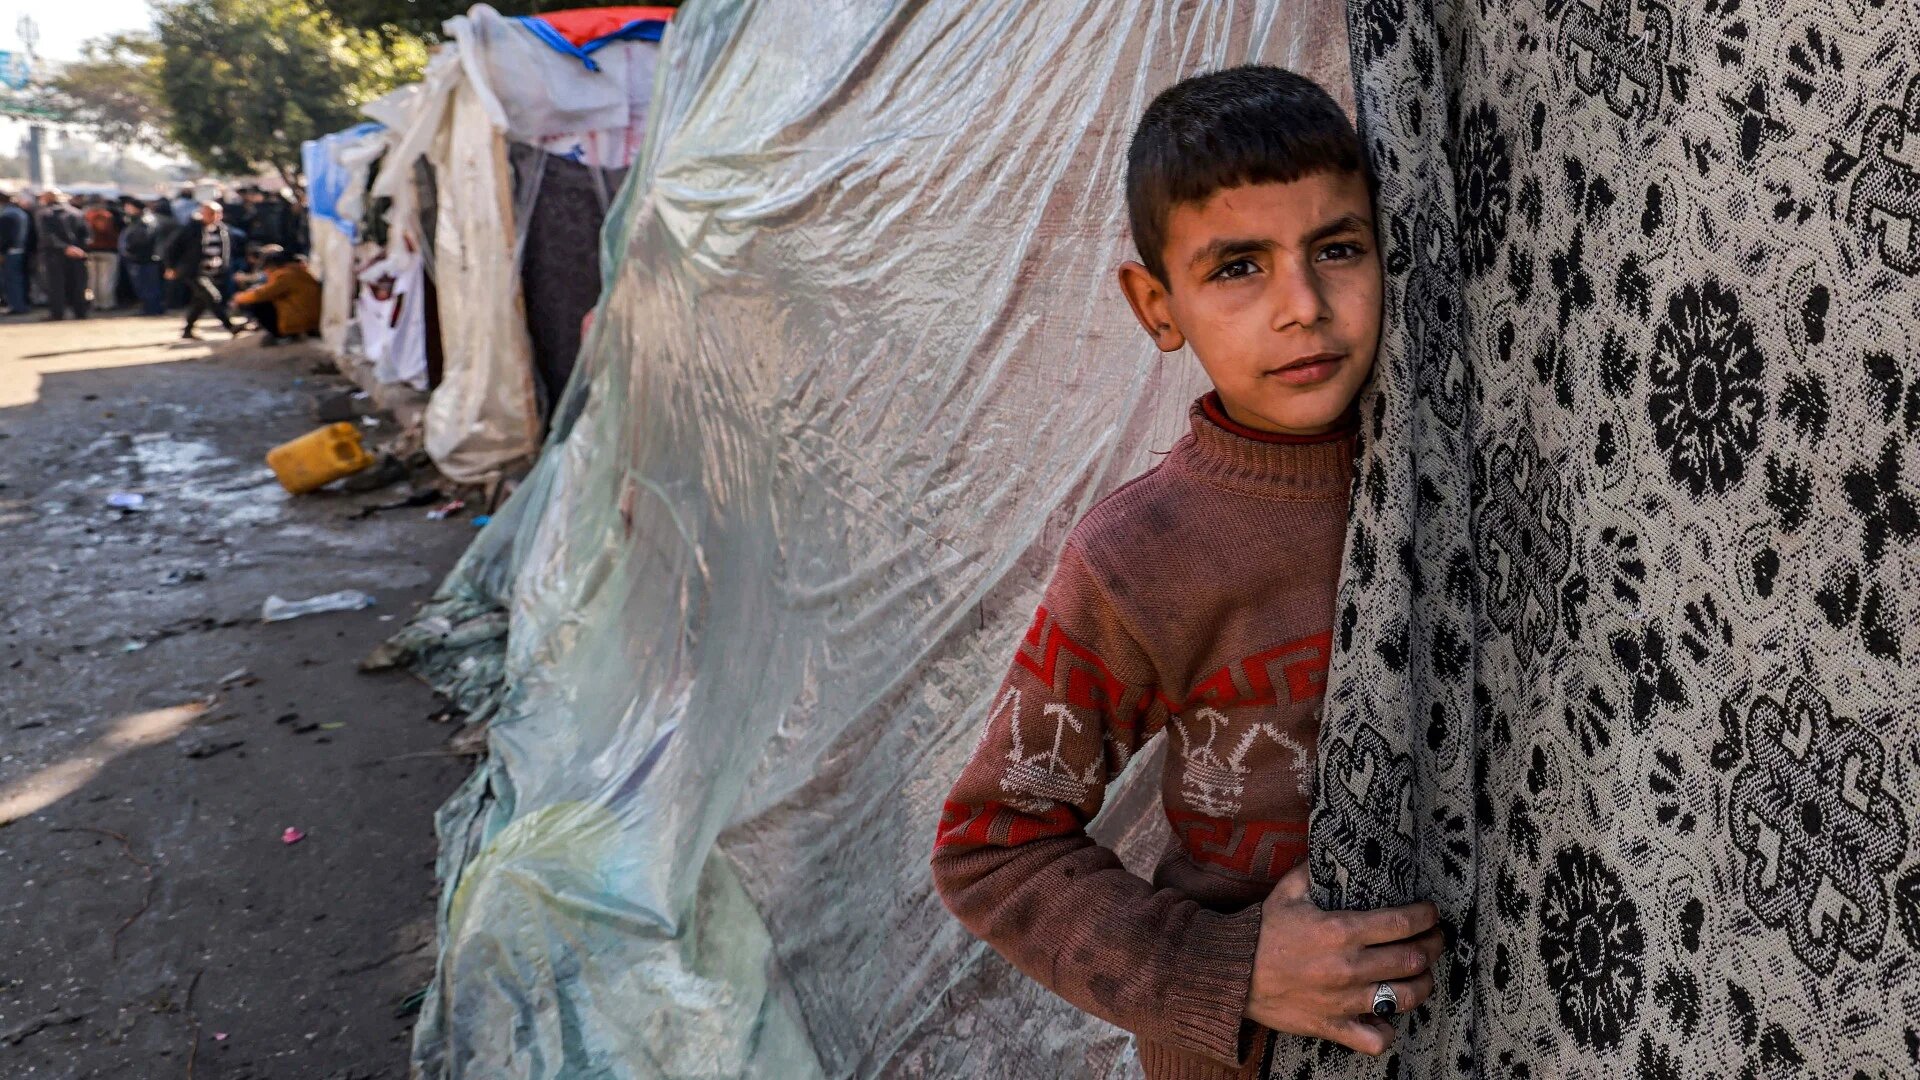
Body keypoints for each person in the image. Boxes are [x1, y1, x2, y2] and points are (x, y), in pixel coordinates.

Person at [930, 67, 1438, 1078]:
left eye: (1338, 248)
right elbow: (992, 846)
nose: (1302, 306)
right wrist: (1227, 965)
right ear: (1156, 304)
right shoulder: (1141, 555)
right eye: (1239, 267)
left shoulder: (1459, 474)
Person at [163, 201, 240, 339]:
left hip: (213, 271)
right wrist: (170, 267)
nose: (214, 216)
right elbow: (171, 248)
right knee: (213, 297)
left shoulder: (222, 230)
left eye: (217, 213)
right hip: (193, 271)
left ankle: (188, 330)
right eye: (210, 213)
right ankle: (230, 326)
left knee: (200, 301)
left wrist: (223, 266)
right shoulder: (191, 229)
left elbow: (225, 251)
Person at [232, 246, 321, 344]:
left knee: (257, 304)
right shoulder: (299, 272)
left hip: (300, 322)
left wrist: (238, 298)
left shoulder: (285, 276)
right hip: (312, 319)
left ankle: (282, 335)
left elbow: (261, 294)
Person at [34, 190, 90, 320]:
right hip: (77, 255)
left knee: (56, 285)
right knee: (77, 284)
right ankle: (80, 312)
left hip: (54, 254)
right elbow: (87, 235)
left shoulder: (44, 214)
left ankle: (57, 313)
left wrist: (65, 248)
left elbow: (47, 236)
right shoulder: (77, 213)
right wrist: (78, 249)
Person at [118, 198, 165, 317]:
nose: (126, 209)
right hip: (141, 258)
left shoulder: (144, 221)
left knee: (148, 285)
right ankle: (150, 308)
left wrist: (130, 249)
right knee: (145, 285)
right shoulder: (140, 220)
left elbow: (142, 239)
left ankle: (152, 309)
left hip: (144, 258)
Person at [83, 196, 122, 309]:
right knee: (107, 278)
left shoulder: (86, 215)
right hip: (108, 249)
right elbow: (107, 231)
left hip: (91, 250)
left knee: (93, 279)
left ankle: (95, 302)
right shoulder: (106, 215)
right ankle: (106, 303)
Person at [0, 191, 29, 314]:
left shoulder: (7, 215)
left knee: (11, 281)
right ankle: (19, 304)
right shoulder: (20, 213)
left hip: (10, 251)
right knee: (17, 280)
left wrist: (1, 251)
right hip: (20, 249)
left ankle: (16, 306)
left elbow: (5, 237)